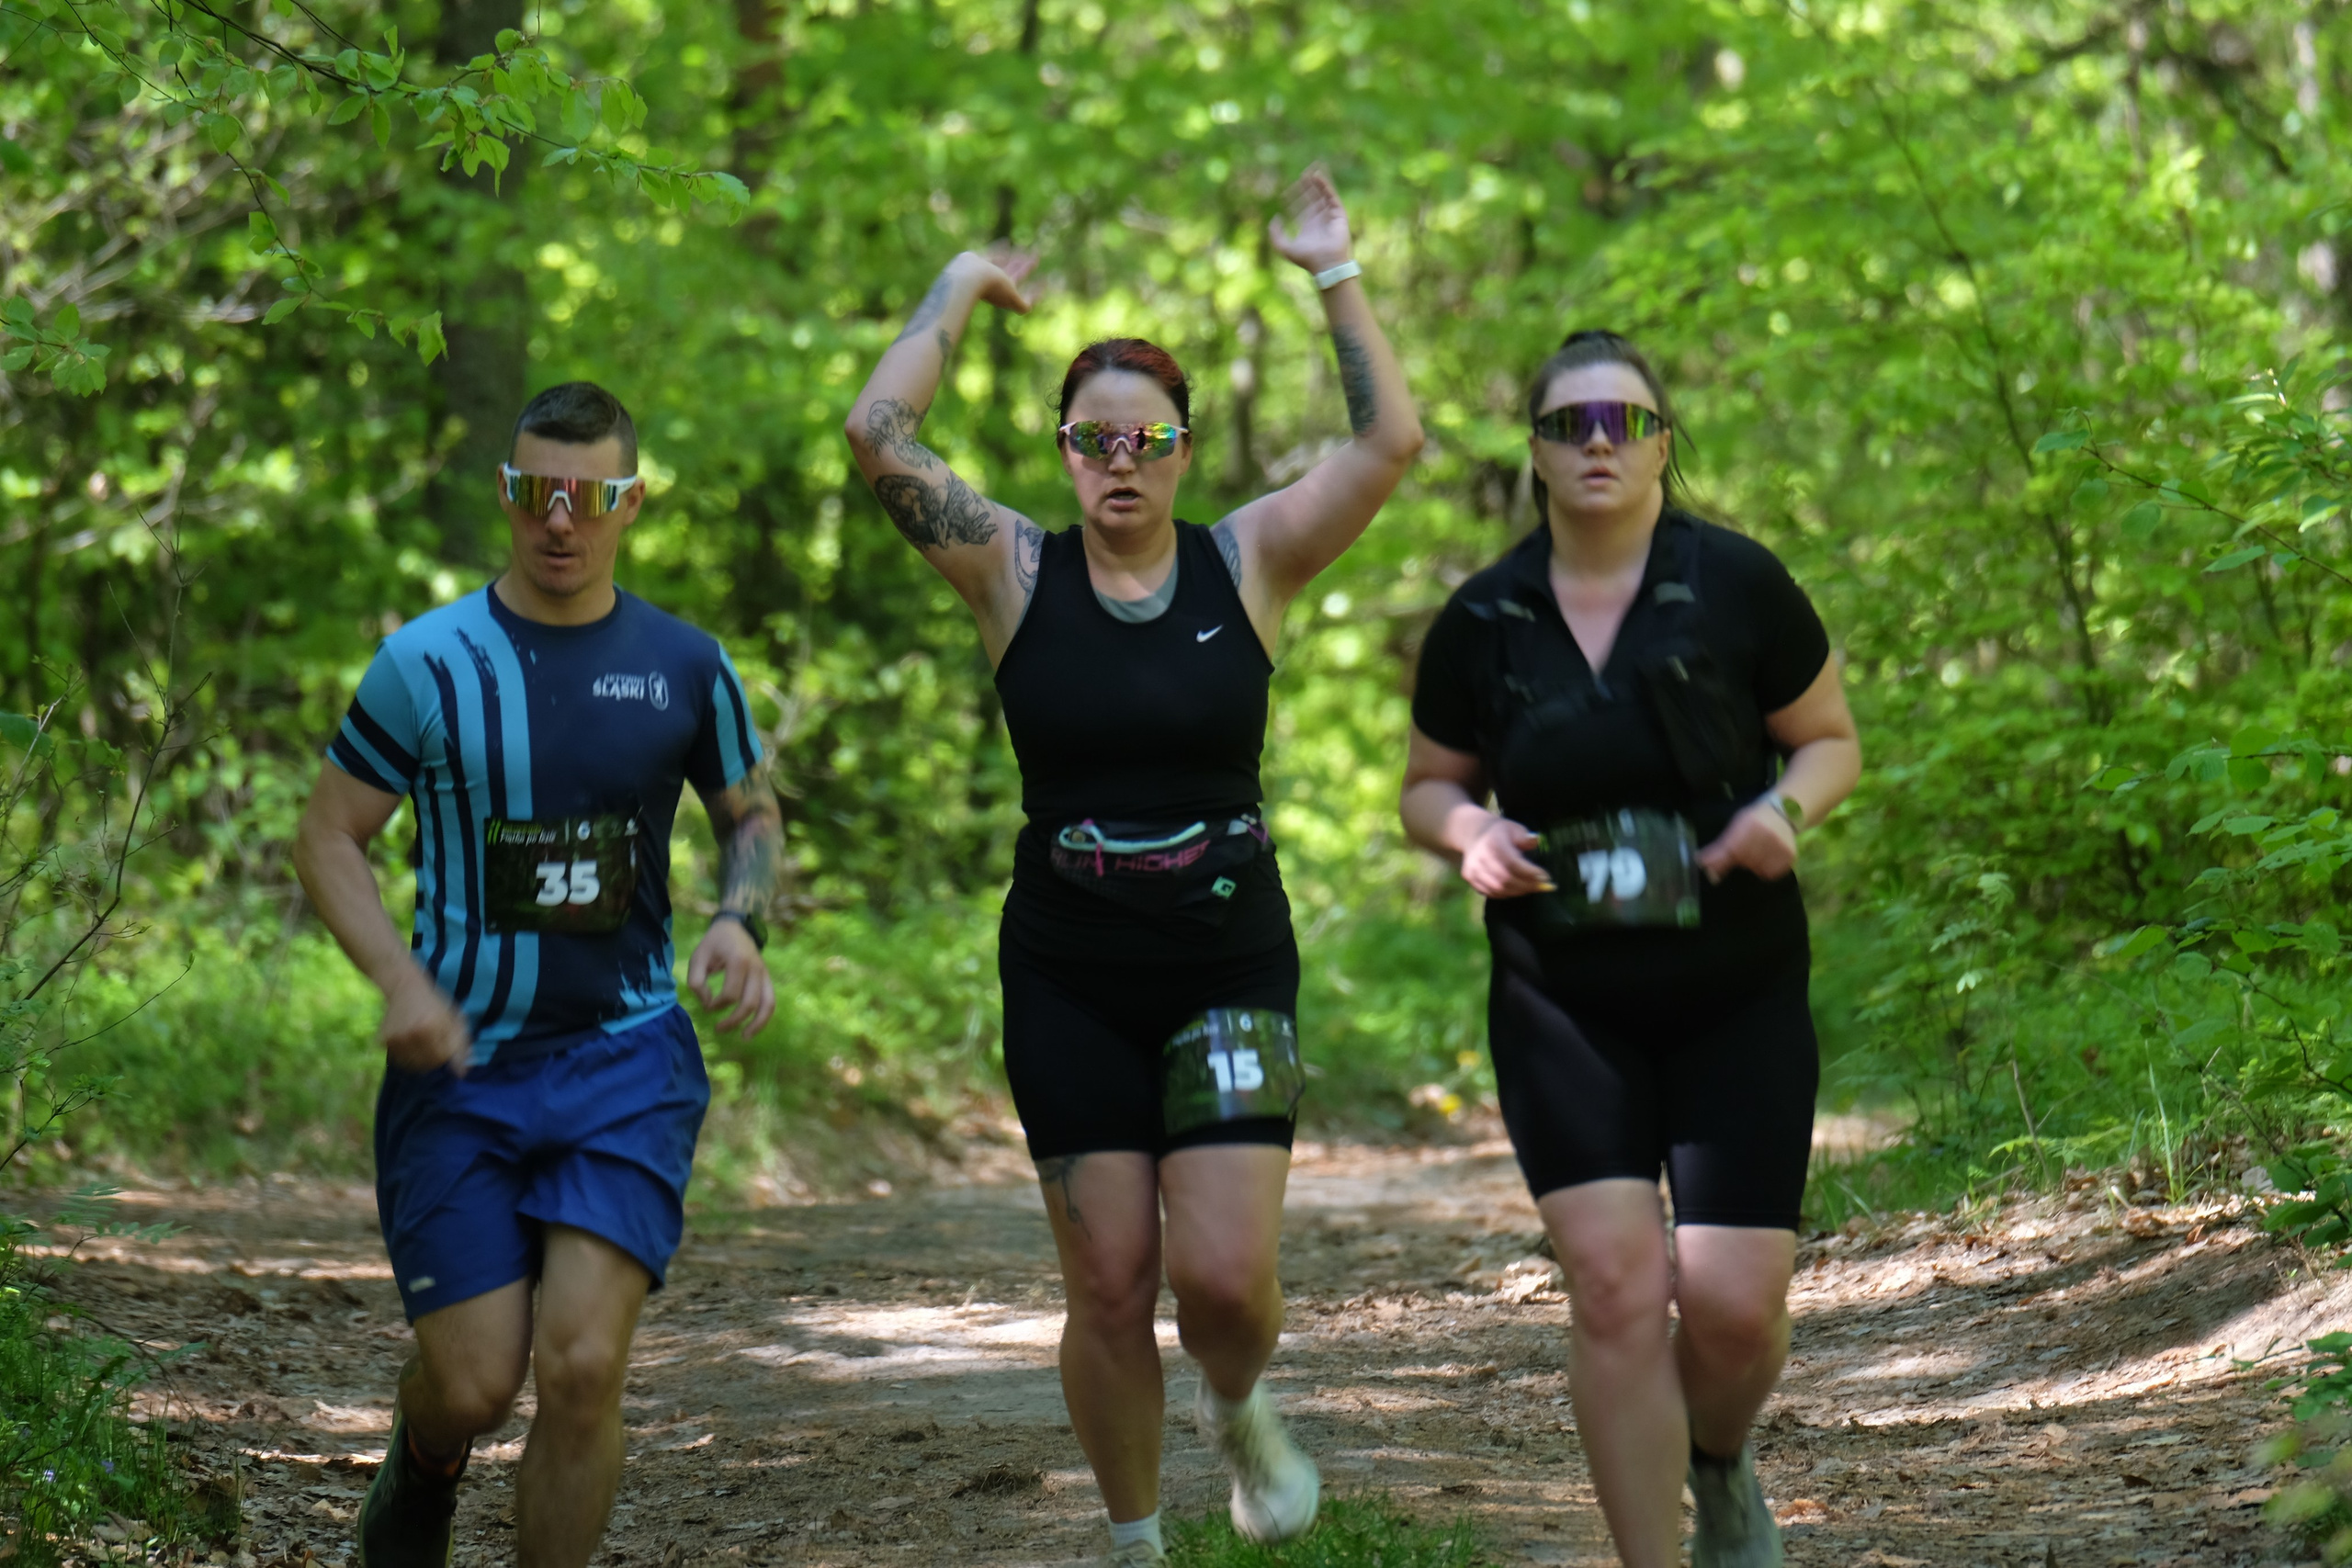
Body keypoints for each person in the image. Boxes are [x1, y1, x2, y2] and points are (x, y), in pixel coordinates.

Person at [842, 168, 1421, 1567]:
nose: (1120, 460)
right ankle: (1136, 1543)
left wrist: (1331, 270)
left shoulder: (1253, 559)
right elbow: (876, 430)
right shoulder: (1011, 574)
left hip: (1227, 957)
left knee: (1220, 1284)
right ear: (1063, 452)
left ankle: (1238, 1401)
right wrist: (963, 285)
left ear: (1178, 448)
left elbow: (1392, 441)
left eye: (1146, 437)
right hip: (1069, 971)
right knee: (1108, 1284)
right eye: (1093, 439)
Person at [292, 381, 783, 1568]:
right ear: (507, 496)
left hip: (625, 1060)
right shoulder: (427, 663)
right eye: (534, 494)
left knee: (577, 1368)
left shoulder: (686, 665)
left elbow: (749, 816)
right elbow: (327, 837)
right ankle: (425, 1465)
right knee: (472, 1382)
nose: (559, 522)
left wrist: (740, 920)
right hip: (460, 1069)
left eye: (587, 498)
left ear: (629, 503)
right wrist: (401, 982)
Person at [1397, 332, 1860, 1568]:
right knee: (1611, 1290)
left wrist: (1781, 813)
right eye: (1569, 425)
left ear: (1664, 443)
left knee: (1731, 1310)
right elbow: (1428, 787)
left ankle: (1717, 1461)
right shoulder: (1484, 615)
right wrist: (1469, 834)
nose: (1598, 443)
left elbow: (1828, 742)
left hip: (1736, 988)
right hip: (1564, 998)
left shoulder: (1738, 585)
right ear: (1536, 454)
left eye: (1626, 421)